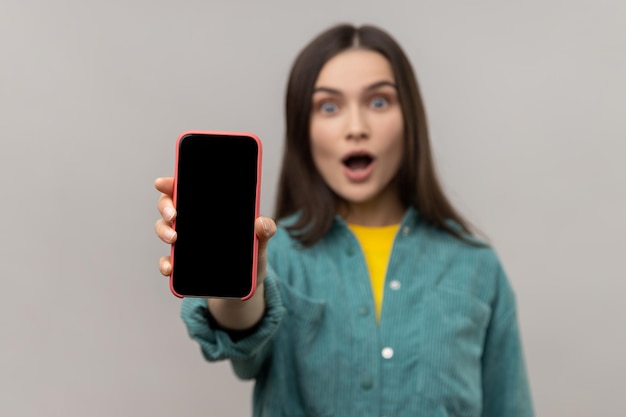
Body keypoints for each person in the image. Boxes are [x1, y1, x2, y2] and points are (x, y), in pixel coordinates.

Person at [154, 23, 534, 417]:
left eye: (380, 102)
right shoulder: (276, 255)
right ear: (305, 128)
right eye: (329, 107)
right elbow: (239, 339)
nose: (357, 129)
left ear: (411, 118)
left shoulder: (476, 266)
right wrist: (233, 280)